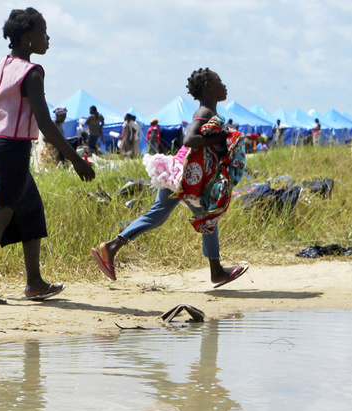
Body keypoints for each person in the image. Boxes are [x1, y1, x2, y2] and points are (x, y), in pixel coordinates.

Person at [0, 7, 95, 305]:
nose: (48, 39)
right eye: (43, 33)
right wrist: (77, 160)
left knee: (31, 208)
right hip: (13, 148)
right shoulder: (32, 73)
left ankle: (34, 283)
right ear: (27, 38)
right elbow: (46, 124)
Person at [91, 67, 248, 288]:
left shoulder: (208, 113)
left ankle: (113, 245)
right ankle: (216, 271)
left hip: (186, 173)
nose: (224, 85)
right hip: (186, 176)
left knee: (160, 215)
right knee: (207, 218)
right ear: (208, 87)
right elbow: (190, 139)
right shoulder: (204, 113)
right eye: (219, 81)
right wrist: (221, 136)